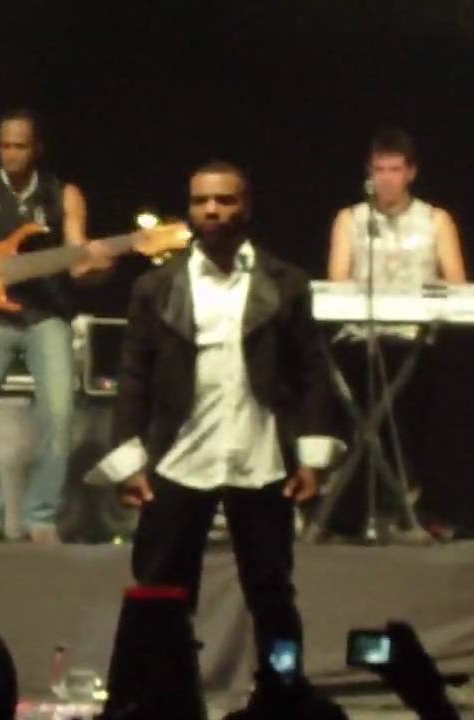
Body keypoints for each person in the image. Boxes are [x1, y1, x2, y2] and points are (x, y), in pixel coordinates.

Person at [111, 160, 339, 706]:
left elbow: (312, 372)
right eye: (201, 201)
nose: (212, 210)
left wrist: (311, 456)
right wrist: (127, 459)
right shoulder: (156, 287)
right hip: (180, 456)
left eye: (224, 200)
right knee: (160, 594)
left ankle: (284, 694)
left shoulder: (284, 283)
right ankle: (158, 699)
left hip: (257, 456)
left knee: (272, 595)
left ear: (246, 207)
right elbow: (134, 375)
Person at [0, 108, 109, 543]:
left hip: (45, 315)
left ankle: (41, 516)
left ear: (37, 149)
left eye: (20, 146)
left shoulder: (62, 194)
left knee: (60, 414)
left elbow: (77, 253)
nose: (11, 154)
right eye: (4, 146)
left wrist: (91, 268)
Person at [322, 127, 468, 541]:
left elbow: (457, 283)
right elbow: (337, 281)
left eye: (394, 169)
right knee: (363, 396)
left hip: (413, 338)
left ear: (410, 173)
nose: (386, 178)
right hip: (360, 338)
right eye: (379, 170)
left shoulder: (436, 220)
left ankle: (408, 505)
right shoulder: (351, 220)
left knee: (407, 393)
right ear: (369, 173)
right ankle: (359, 511)